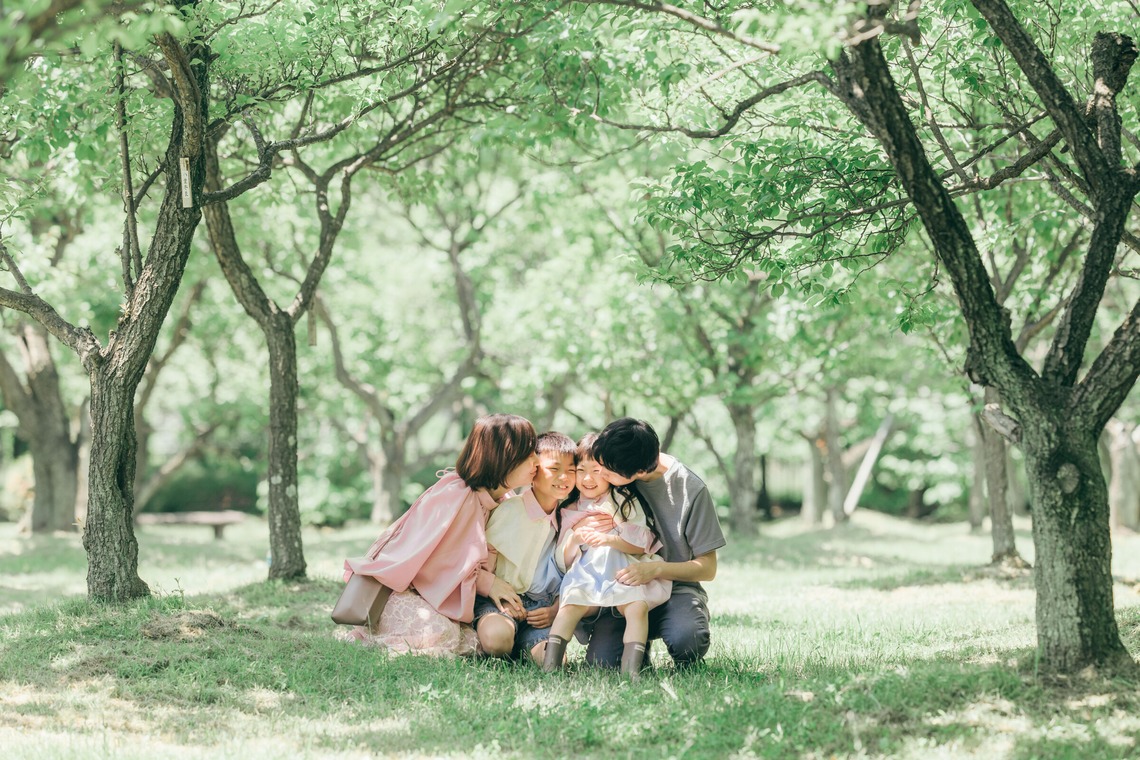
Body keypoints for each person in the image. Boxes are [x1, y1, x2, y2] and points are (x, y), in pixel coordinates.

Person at [336, 414, 539, 655]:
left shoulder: (503, 501)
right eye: (528, 453)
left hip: (441, 600)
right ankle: (369, 638)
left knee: (474, 640)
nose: (537, 460)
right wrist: (488, 583)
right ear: (504, 456)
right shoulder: (456, 495)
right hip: (405, 593)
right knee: (441, 634)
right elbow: (432, 565)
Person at [581, 418, 726, 668]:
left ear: (638, 474)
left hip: (675, 589)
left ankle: (674, 629)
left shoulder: (691, 490)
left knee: (688, 641)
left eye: (607, 471)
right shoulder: (619, 461)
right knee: (601, 664)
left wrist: (655, 569)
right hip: (622, 589)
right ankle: (637, 646)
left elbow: (708, 568)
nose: (599, 474)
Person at [542, 433, 671, 679]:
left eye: (597, 470)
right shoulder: (569, 509)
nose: (588, 478)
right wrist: (575, 539)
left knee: (636, 608)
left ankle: (630, 670)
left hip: (623, 571)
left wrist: (611, 538)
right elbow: (563, 560)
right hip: (586, 574)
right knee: (569, 607)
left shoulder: (624, 501)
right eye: (581, 470)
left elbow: (644, 544)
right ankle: (551, 666)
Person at [475, 431, 576, 663]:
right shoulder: (510, 510)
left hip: (541, 607)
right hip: (499, 599)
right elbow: (483, 563)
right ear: (534, 471)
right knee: (497, 640)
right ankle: (505, 638)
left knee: (554, 661)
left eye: (571, 470)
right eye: (554, 469)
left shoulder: (569, 518)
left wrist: (554, 610)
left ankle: (525, 642)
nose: (564, 477)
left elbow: (575, 573)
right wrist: (500, 597)